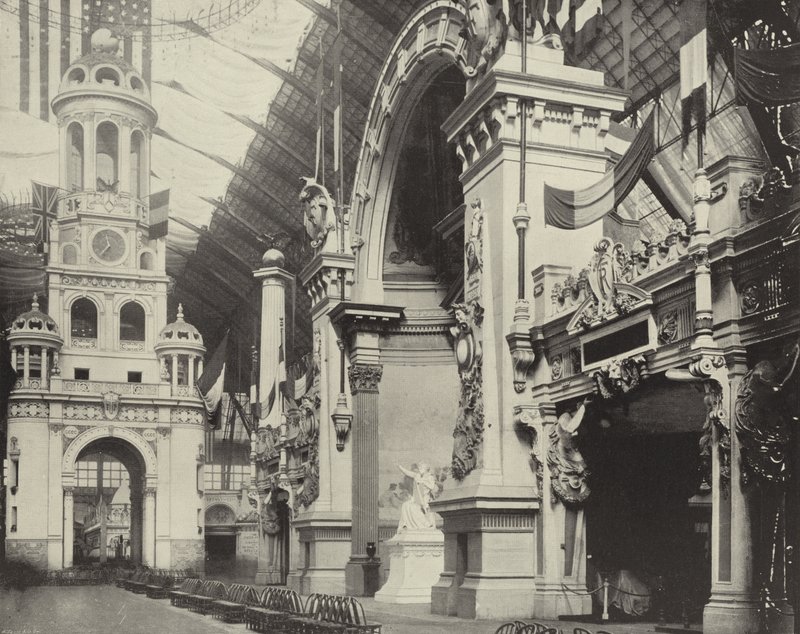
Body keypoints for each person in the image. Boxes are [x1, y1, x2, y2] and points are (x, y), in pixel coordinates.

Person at [397, 463, 438, 531]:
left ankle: (426, 524)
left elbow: (432, 486)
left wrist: (422, 482)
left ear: (426, 469)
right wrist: (400, 467)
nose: (420, 469)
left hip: (425, 498)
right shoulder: (417, 475)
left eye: (422, 467)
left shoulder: (430, 477)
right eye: (419, 467)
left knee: (414, 508)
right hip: (417, 498)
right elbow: (408, 473)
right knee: (405, 505)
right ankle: (405, 524)